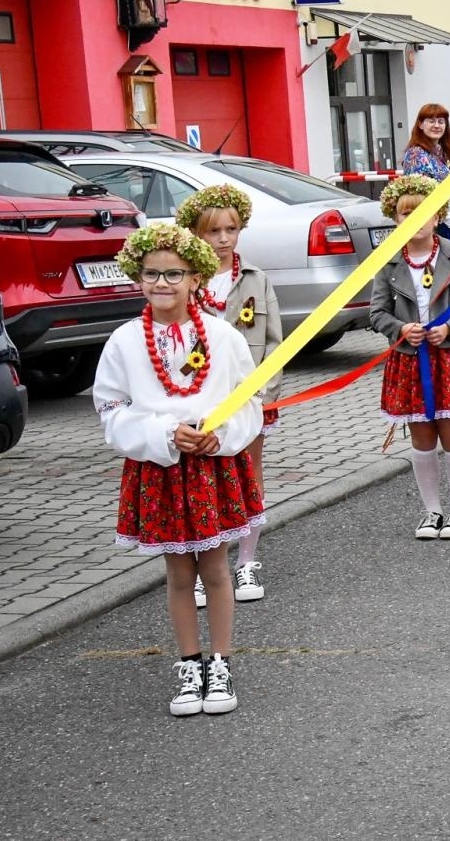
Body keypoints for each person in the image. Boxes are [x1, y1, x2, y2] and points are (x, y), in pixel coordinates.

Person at [94, 224, 263, 716]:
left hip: (211, 469)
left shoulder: (223, 336)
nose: (162, 283)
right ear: (137, 278)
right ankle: (190, 665)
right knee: (176, 574)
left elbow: (249, 399)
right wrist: (164, 433)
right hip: (161, 471)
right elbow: (110, 408)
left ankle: (221, 662)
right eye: (151, 274)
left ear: (195, 279)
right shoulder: (125, 341)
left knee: (214, 567)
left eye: (174, 274)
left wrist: (220, 434)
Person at [176, 185, 281, 608]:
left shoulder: (256, 279)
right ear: (195, 235)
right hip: (197, 399)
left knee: (248, 477)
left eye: (231, 229)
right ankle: (205, 569)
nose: (223, 238)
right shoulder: (182, 283)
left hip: (247, 398)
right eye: (213, 231)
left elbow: (274, 341)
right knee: (201, 483)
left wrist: (260, 393)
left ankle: (247, 562)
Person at [370, 174, 450, 540]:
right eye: (405, 214)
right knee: (421, 438)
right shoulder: (389, 264)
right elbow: (376, 313)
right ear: (395, 219)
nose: (414, 220)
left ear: (438, 217)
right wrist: (401, 329)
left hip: (448, 358)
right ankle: (431, 511)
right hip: (409, 359)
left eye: (423, 212)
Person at [400, 104, 450, 243]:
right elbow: (425, 197)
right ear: (420, 124)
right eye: (431, 121)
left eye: (441, 121)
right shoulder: (416, 155)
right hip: (431, 227)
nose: (437, 125)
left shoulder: (443, 153)